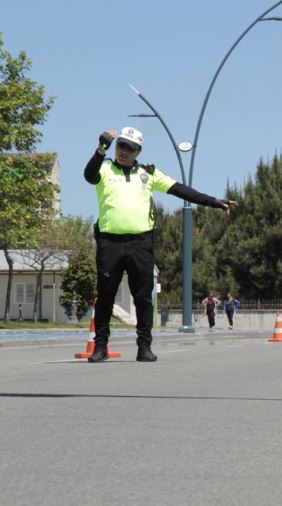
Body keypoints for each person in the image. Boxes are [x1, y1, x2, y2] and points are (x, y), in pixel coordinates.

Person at [83, 126, 236, 362]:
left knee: (143, 297)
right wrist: (101, 149)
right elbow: (88, 175)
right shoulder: (104, 168)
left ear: (138, 151)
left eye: (130, 148)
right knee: (105, 296)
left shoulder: (148, 173)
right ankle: (100, 347)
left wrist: (213, 201)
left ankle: (144, 346)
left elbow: (179, 189)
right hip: (109, 242)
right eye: (121, 145)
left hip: (141, 242)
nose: (124, 151)